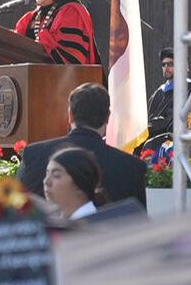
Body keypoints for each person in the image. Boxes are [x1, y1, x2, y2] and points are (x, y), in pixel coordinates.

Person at [17, 83, 147, 209]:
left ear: (70, 116)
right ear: (108, 117)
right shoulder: (133, 167)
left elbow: (15, 207)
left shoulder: (34, 155)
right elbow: (140, 223)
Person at [15, 0, 100, 65]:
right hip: (29, 78)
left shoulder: (71, 11)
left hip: (65, 79)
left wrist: (45, 40)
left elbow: (72, 56)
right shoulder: (30, 18)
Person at [43, 147, 107, 220]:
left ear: (79, 183)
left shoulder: (94, 224)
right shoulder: (56, 221)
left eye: (56, 175)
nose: (46, 181)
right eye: (47, 174)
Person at [147, 47, 191, 137]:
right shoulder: (158, 93)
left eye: (170, 64)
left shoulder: (190, 88)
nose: (166, 67)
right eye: (164, 65)